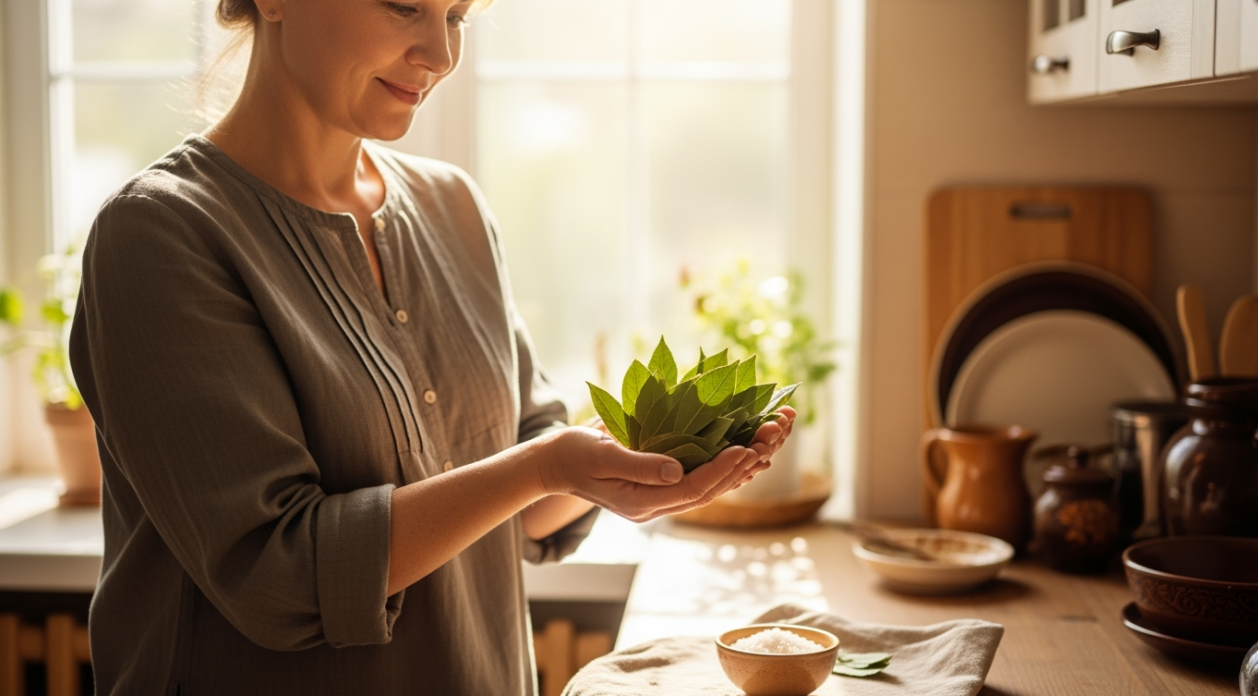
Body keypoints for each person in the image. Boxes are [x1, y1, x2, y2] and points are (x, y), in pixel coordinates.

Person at [68, 0, 796, 693]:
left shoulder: (456, 209)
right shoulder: (160, 236)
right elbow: (277, 575)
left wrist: (633, 467)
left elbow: (525, 489)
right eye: (402, 6)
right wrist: (544, 465)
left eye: (457, 16)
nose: (441, 54)